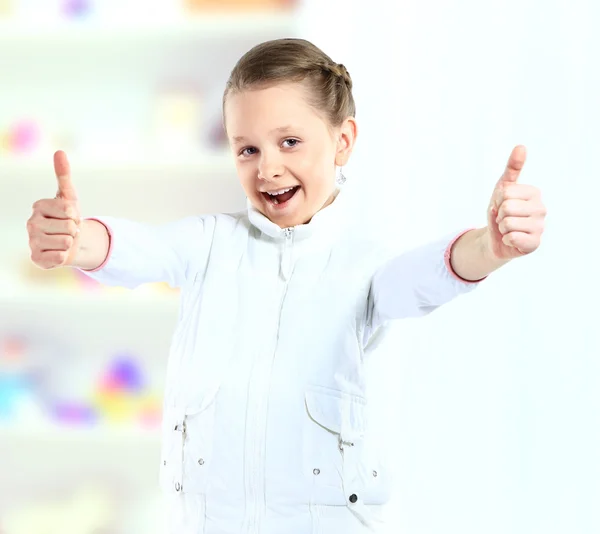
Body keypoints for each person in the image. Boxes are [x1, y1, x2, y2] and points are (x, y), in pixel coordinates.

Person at [26, 38, 546, 534]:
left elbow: (423, 278)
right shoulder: (208, 244)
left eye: (289, 142)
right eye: (246, 149)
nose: (267, 168)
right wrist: (76, 240)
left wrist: (489, 246)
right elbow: (140, 249)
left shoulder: (363, 266)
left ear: (343, 142)